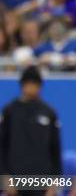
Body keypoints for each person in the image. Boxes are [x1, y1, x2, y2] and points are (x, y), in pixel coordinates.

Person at [0, 66, 61, 194]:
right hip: (15, 177)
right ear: (22, 85)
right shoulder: (10, 111)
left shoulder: (49, 112)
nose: (31, 87)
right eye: (28, 83)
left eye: (35, 84)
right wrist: (4, 176)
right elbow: (2, 145)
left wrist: (55, 183)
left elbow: (55, 149)